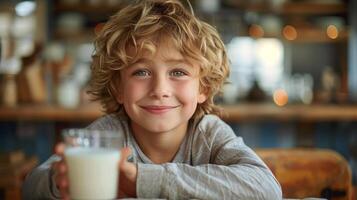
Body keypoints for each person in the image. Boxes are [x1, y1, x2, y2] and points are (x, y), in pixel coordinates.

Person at [22, 0, 282, 199]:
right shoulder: (110, 135)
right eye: (141, 72)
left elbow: (266, 188)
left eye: (178, 72)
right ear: (118, 87)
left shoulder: (208, 134)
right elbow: (31, 187)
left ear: (203, 87)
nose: (160, 89)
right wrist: (59, 179)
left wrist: (140, 180)